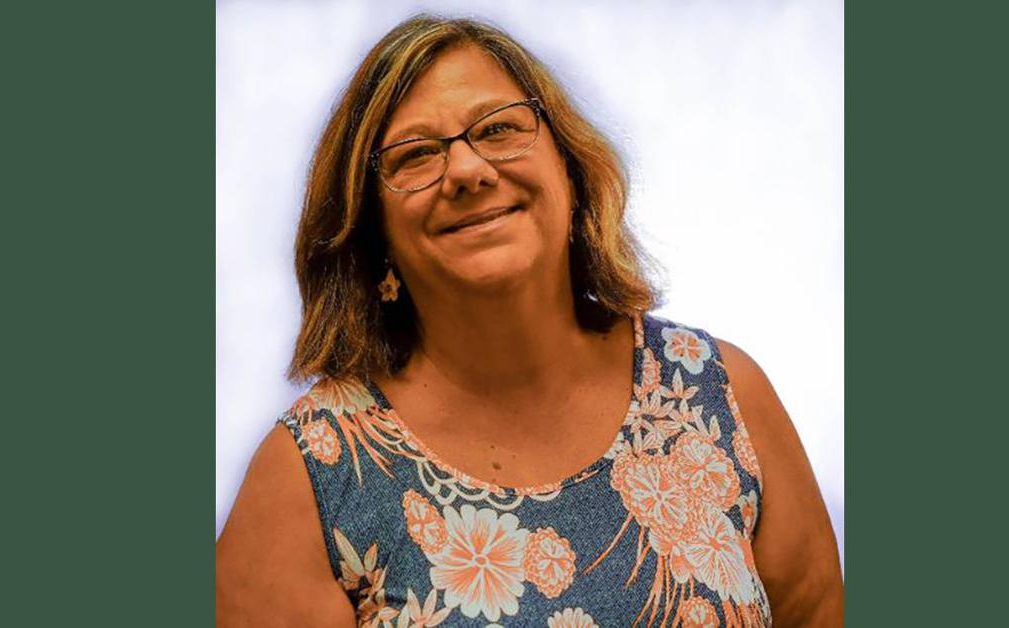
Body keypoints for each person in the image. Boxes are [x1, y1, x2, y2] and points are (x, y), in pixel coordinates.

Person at [217, 15, 842, 627]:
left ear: (572, 173)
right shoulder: (310, 478)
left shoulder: (721, 397)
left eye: (498, 129)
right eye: (414, 156)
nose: (466, 171)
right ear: (372, 232)